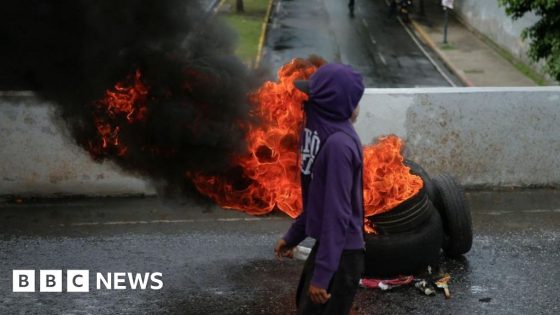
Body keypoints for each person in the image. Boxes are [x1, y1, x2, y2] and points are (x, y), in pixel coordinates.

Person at [274, 63, 365, 315]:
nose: (305, 101)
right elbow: (315, 199)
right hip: (331, 248)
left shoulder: (338, 146)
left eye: (311, 95)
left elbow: (337, 216)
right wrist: (292, 237)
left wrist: (323, 277)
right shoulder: (322, 137)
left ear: (327, 102)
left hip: (342, 255)